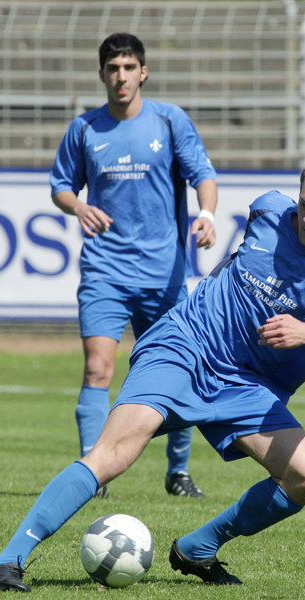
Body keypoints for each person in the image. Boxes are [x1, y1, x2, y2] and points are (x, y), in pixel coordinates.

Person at [0, 142, 305, 592]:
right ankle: (7, 561)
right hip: (186, 345)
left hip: (246, 385)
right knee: (113, 455)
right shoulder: (270, 210)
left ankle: (198, 548)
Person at [50, 33, 218, 499]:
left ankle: (178, 472)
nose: (120, 76)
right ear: (101, 74)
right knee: (98, 369)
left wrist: (206, 215)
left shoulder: (168, 121)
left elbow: (203, 175)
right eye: (112, 69)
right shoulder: (85, 129)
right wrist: (77, 207)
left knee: (174, 371)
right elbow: (61, 185)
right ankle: (92, 472)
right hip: (106, 270)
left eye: (128, 67)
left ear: (143, 72)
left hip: (164, 273)